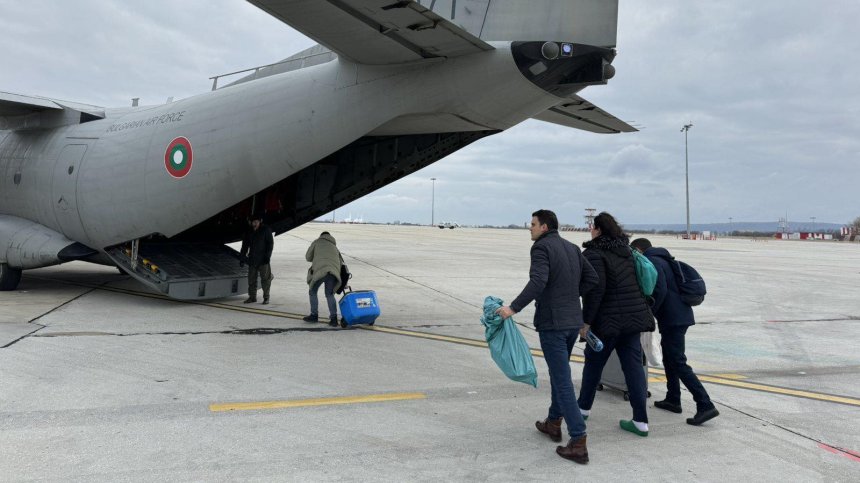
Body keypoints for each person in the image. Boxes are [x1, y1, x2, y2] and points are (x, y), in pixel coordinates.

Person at [497, 209, 598, 464]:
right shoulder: (572, 247)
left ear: (544, 227)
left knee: (562, 380)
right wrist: (569, 296)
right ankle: (554, 422)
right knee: (559, 373)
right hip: (571, 321)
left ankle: (578, 439)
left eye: (532, 224)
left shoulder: (541, 248)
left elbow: (538, 281)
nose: (529, 228)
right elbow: (592, 278)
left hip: (553, 323)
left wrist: (513, 307)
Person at [577, 212, 654, 437]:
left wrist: (586, 322)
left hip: (607, 322)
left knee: (593, 366)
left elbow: (594, 292)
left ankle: (581, 412)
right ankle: (641, 421)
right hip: (633, 320)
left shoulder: (594, 254)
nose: (590, 230)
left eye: (592, 226)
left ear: (599, 230)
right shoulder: (627, 251)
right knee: (634, 369)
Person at [630, 237, 719, 426]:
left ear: (638, 249)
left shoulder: (653, 261)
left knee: (678, 361)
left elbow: (659, 290)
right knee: (671, 358)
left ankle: (705, 404)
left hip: (673, 318)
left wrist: (648, 314)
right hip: (679, 316)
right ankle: (673, 398)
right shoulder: (665, 259)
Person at [303, 231, 343, 327]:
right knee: (329, 294)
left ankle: (314, 315)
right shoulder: (335, 247)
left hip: (320, 271)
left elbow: (308, 257)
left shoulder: (317, 242)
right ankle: (333, 319)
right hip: (333, 273)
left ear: (321, 236)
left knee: (312, 291)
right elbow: (341, 263)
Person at [240, 214, 274, 304]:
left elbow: (270, 244)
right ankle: (252, 297)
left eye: (256, 222)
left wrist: (267, 256)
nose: (254, 224)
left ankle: (266, 297)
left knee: (265, 280)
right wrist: (242, 258)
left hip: (263, 260)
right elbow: (244, 246)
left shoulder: (266, 230)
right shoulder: (248, 231)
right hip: (252, 259)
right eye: (253, 222)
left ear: (260, 221)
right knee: (251, 280)